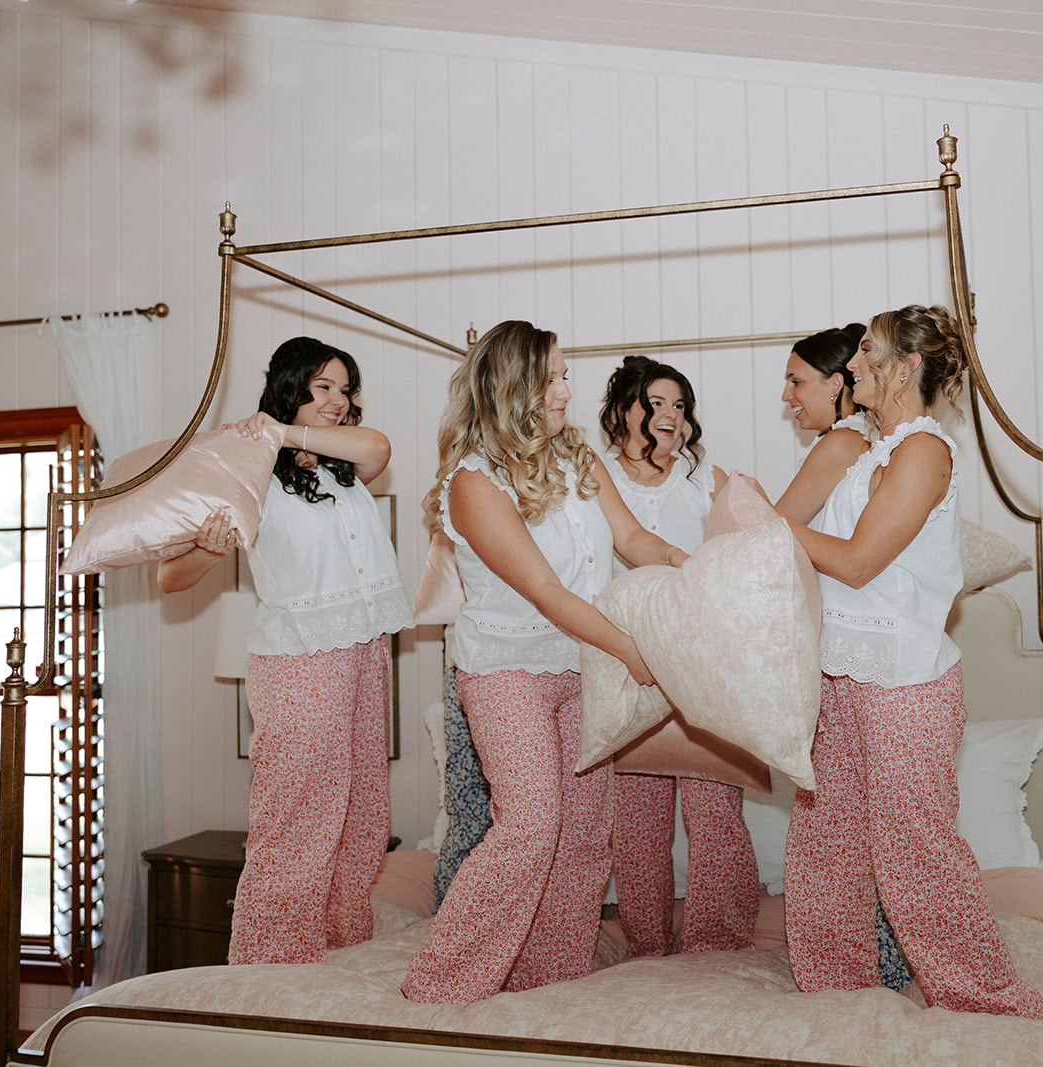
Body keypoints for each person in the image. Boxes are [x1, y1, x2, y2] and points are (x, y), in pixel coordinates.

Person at [402, 320, 686, 1004]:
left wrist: (698, 569)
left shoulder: (579, 459)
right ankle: (442, 987)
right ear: (513, 386)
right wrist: (631, 649)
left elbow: (634, 537)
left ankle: (548, 987)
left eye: (565, 376)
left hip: (578, 666)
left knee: (585, 830)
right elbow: (547, 592)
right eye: (553, 377)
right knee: (532, 822)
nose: (566, 390)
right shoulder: (473, 482)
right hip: (505, 669)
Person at [778, 305, 1043, 1017]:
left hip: (903, 680)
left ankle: (981, 997)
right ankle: (836, 988)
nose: (854, 363)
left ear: (905, 367)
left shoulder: (924, 450)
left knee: (914, 845)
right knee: (827, 837)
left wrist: (771, 526)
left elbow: (861, 561)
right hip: (839, 676)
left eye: (867, 350)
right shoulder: (869, 452)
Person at [157, 336, 414, 965]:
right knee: (298, 813)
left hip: (363, 648)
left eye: (345, 389)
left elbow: (378, 446)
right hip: (300, 658)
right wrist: (210, 550)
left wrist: (283, 431)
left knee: (360, 811)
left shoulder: (342, 465)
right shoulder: (247, 469)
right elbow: (169, 578)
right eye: (322, 386)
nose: (337, 400)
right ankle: (272, 962)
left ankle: (340, 944)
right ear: (290, 387)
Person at [597, 355, 759, 957]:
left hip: (699, 661)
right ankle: (646, 950)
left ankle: (717, 947)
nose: (670, 415)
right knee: (638, 829)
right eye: (656, 403)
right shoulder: (595, 477)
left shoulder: (704, 479)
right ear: (623, 410)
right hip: (628, 660)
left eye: (680, 406)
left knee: (716, 816)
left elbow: (750, 550)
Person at [774, 324, 873, 525]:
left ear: (836, 384)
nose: (786, 396)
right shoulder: (860, 433)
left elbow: (776, 528)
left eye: (796, 382)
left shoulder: (841, 442)